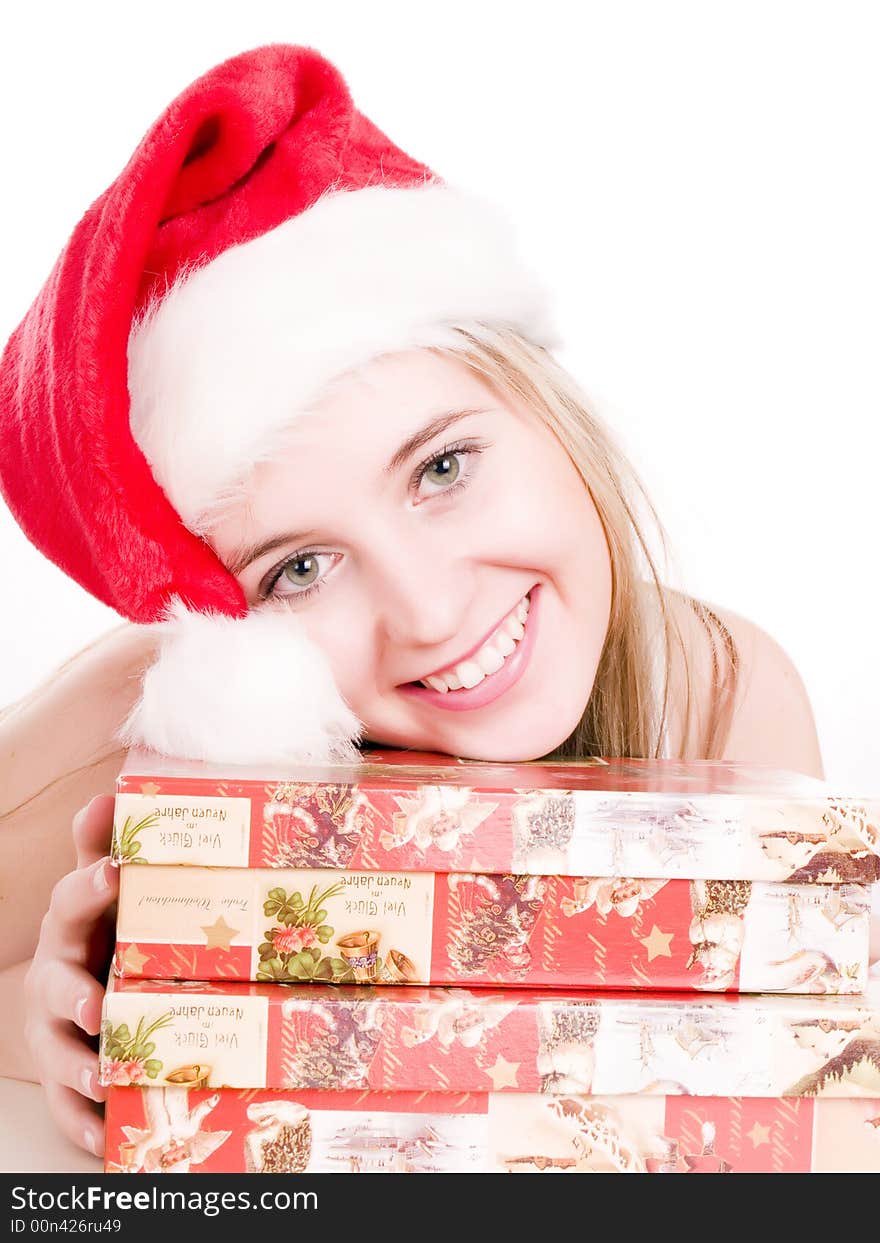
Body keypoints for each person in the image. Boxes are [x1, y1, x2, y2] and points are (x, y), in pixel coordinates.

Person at [0, 44, 829, 1161]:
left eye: (442, 468)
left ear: (550, 413)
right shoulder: (123, 742)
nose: (433, 614)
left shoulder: (723, 704)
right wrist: (52, 1019)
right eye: (299, 568)